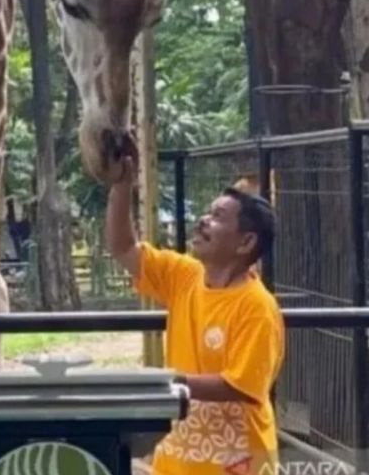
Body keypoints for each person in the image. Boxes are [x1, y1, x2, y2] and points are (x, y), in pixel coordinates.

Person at [104, 151, 284, 475]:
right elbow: (122, 248)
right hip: (179, 461)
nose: (203, 220)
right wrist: (121, 186)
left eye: (217, 217)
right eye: (207, 212)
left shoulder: (257, 307)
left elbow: (239, 385)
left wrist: (166, 381)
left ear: (245, 242)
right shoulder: (184, 276)